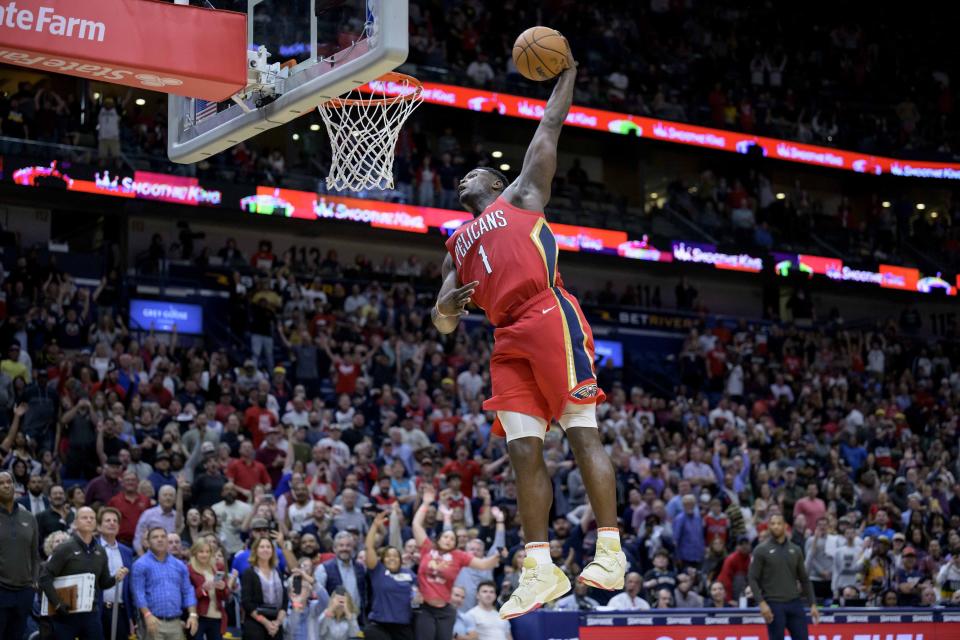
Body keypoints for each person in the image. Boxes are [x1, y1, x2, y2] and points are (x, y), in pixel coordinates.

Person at [432, 40, 624, 619]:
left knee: (580, 430)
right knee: (522, 450)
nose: (464, 176)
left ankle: (610, 551)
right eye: (459, 176)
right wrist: (450, 306)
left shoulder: (522, 194)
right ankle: (540, 568)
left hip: (547, 313)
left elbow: (549, 125)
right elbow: (441, 322)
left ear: (493, 181)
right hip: (505, 336)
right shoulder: (453, 247)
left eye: (474, 171)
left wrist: (566, 72)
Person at [413, 485, 499, 640]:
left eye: (452, 539)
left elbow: (484, 564)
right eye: (445, 537)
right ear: (438, 539)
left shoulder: (459, 555)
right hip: (425, 607)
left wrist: (496, 557)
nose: (449, 540)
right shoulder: (427, 548)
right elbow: (416, 525)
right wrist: (426, 503)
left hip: (445, 610)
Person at [39, 506, 129, 640]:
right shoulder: (65, 548)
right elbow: (45, 578)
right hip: (65, 614)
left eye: (92, 518)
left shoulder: (100, 551)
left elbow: (103, 583)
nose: (89, 520)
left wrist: (116, 578)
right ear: (75, 523)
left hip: (91, 614)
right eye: (84, 517)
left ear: (96, 524)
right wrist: (57, 604)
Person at [748, 514, 819, 640]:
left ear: (785, 526)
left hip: (795, 603)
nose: (776, 526)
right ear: (769, 526)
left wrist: (813, 603)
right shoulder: (761, 550)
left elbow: (804, 579)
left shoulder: (796, 549)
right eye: (773, 523)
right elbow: (752, 578)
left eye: (779, 523)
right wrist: (761, 603)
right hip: (773, 604)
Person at [131, 526, 199, 640]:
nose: (160, 539)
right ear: (148, 542)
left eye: (163, 536)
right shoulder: (140, 564)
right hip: (152, 620)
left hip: (176, 622)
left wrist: (192, 615)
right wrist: (147, 615)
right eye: (155, 537)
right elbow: (138, 593)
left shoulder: (179, 565)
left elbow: (188, 590)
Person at [0, 471, 41, 639]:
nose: (6, 486)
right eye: (1, 483)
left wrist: (34, 581)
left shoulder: (29, 518)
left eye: (9, 482)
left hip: (24, 591)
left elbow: (35, 554)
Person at [363, 511, 416, 640]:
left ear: (401, 560)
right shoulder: (378, 571)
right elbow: (369, 548)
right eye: (388, 556)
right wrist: (375, 526)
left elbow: (417, 593)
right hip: (379, 625)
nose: (392, 559)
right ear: (383, 560)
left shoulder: (409, 574)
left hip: (403, 626)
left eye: (395, 556)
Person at [98, 507, 135, 640]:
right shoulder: (91, 549)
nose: (112, 523)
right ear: (99, 526)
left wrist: (130, 617)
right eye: (107, 520)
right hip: (97, 611)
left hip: (120, 611)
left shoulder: (127, 552)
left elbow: (129, 587)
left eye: (115, 521)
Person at [240, 536, 288, 640]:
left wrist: (278, 622)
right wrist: (265, 623)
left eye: (268, 547)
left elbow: (285, 601)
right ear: (255, 550)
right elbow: (246, 603)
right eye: (262, 547)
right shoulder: (249, 573)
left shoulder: (278, 573)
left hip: (275, 622)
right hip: (256, 620)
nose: (265, 549)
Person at [187, 540, 231, 640]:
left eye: (208, 552)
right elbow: (187, 595)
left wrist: (223, 588)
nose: (205, 554)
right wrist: (202, 589)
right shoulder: (189, 569)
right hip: (199, 616)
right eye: (201, 551)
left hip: (217, 616)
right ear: (195, 552)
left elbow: (226, 596)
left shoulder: (218, 568)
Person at [133, 485, 178, 554]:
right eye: (165, 495)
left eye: (171, 495)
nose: (168, 498)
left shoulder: (177, 516)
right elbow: (138, 538)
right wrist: (142, 557)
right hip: (151, 556)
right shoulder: (148, 514)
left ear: (175, 499)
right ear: (159, 498)